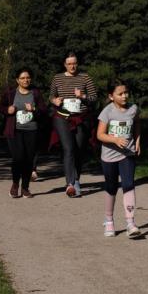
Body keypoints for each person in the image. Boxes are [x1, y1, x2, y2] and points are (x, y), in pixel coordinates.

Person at [96, 79, 142, 238]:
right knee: (111, 187)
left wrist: (137, 140)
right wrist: (115, 140)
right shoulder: (107, 112)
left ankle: (130, 223)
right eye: (120, 93)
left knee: (129, 184)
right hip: (109, 155)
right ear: (111, 96)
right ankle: (109, 220)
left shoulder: (133, 109)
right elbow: (99, 135)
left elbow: (136, 124)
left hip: (127, 153)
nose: (124, 96)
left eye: (126, 93)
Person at [49, 52, 98, 197]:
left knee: (79, 149)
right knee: (68, 148)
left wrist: (82, 96)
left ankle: (76, 179)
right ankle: (70, 183)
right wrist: (54, 101)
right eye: (69, 63)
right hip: (62, 117)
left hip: (81, 118)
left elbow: (94, 98)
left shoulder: (85, 77)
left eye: (74, 63)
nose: (72, 66)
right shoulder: (57, 78)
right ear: (65, 65)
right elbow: (51, 96)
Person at [0, 67, 48, 198]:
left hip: (31, 131)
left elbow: (43, 111)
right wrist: (7, 110)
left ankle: (25, 188)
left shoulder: (35, 93)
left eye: (28, 78)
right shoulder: (10, 93)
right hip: (15, 130)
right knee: (18, 158)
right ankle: (15, 185)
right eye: (22, 78)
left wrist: (34, 109)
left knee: (28, 159)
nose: (26, 80)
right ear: (17, 80)